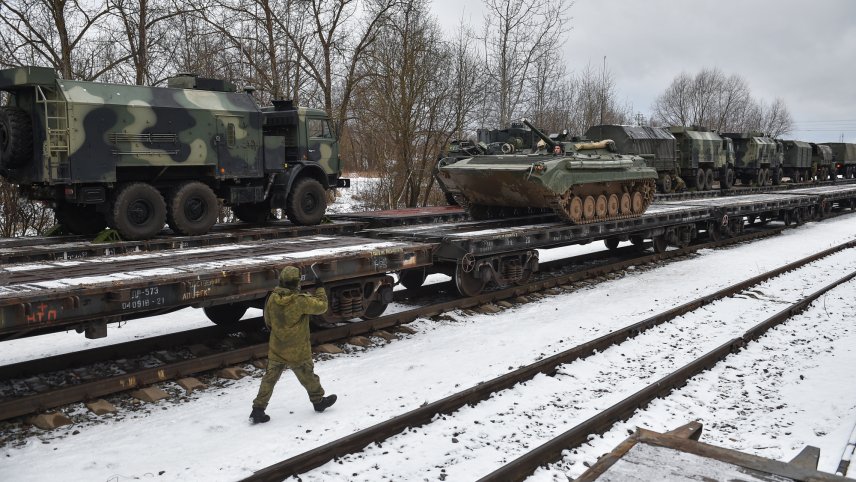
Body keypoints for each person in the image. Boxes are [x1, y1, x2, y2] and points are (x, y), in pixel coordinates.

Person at [249, 266, 337, 424]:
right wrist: (320, 289)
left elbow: (268, 322)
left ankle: (258, 410)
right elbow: (322, 306)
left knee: (269, 378)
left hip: (277, 347)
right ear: (297, 282)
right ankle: (318, 402)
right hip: (298, 349)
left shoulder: (272, 298)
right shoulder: (300, 300)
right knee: (308, 375)